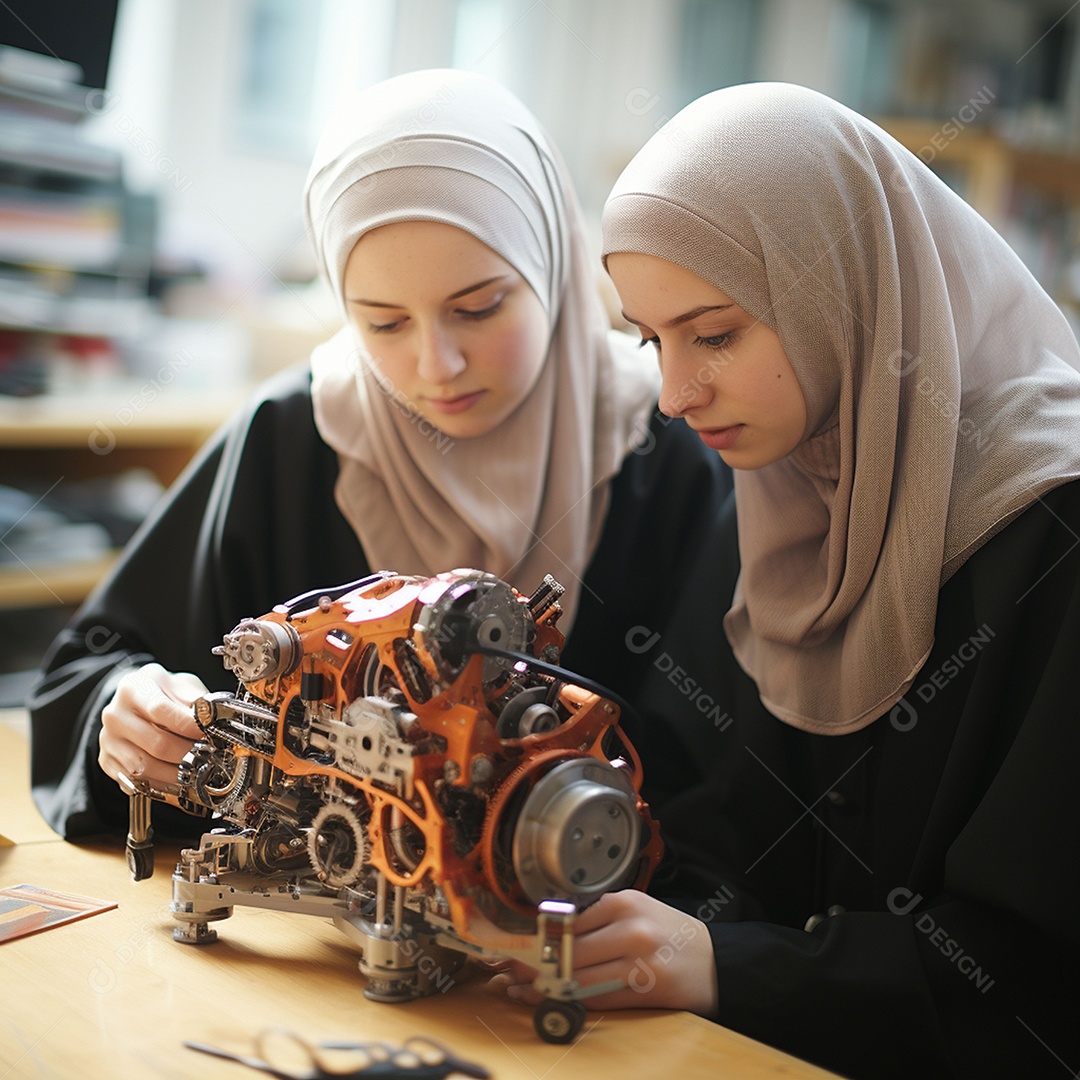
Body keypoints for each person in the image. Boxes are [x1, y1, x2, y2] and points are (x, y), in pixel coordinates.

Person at [488, 82, 1080, 1079]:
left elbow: (1037, 974)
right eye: (652, 340)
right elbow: (693, 808)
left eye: (715, 334)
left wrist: (730, 966)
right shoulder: (777, 488)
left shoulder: (1054, 533)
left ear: (845, 291)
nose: (674, 396)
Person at [28, 69, 728, 839]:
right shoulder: (293, 433)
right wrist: (128, 712)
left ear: (554, 266)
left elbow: (727, 782)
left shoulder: (671, 443)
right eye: (383, 324)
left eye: (479, 307)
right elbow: (89, 673)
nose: (437, 366)